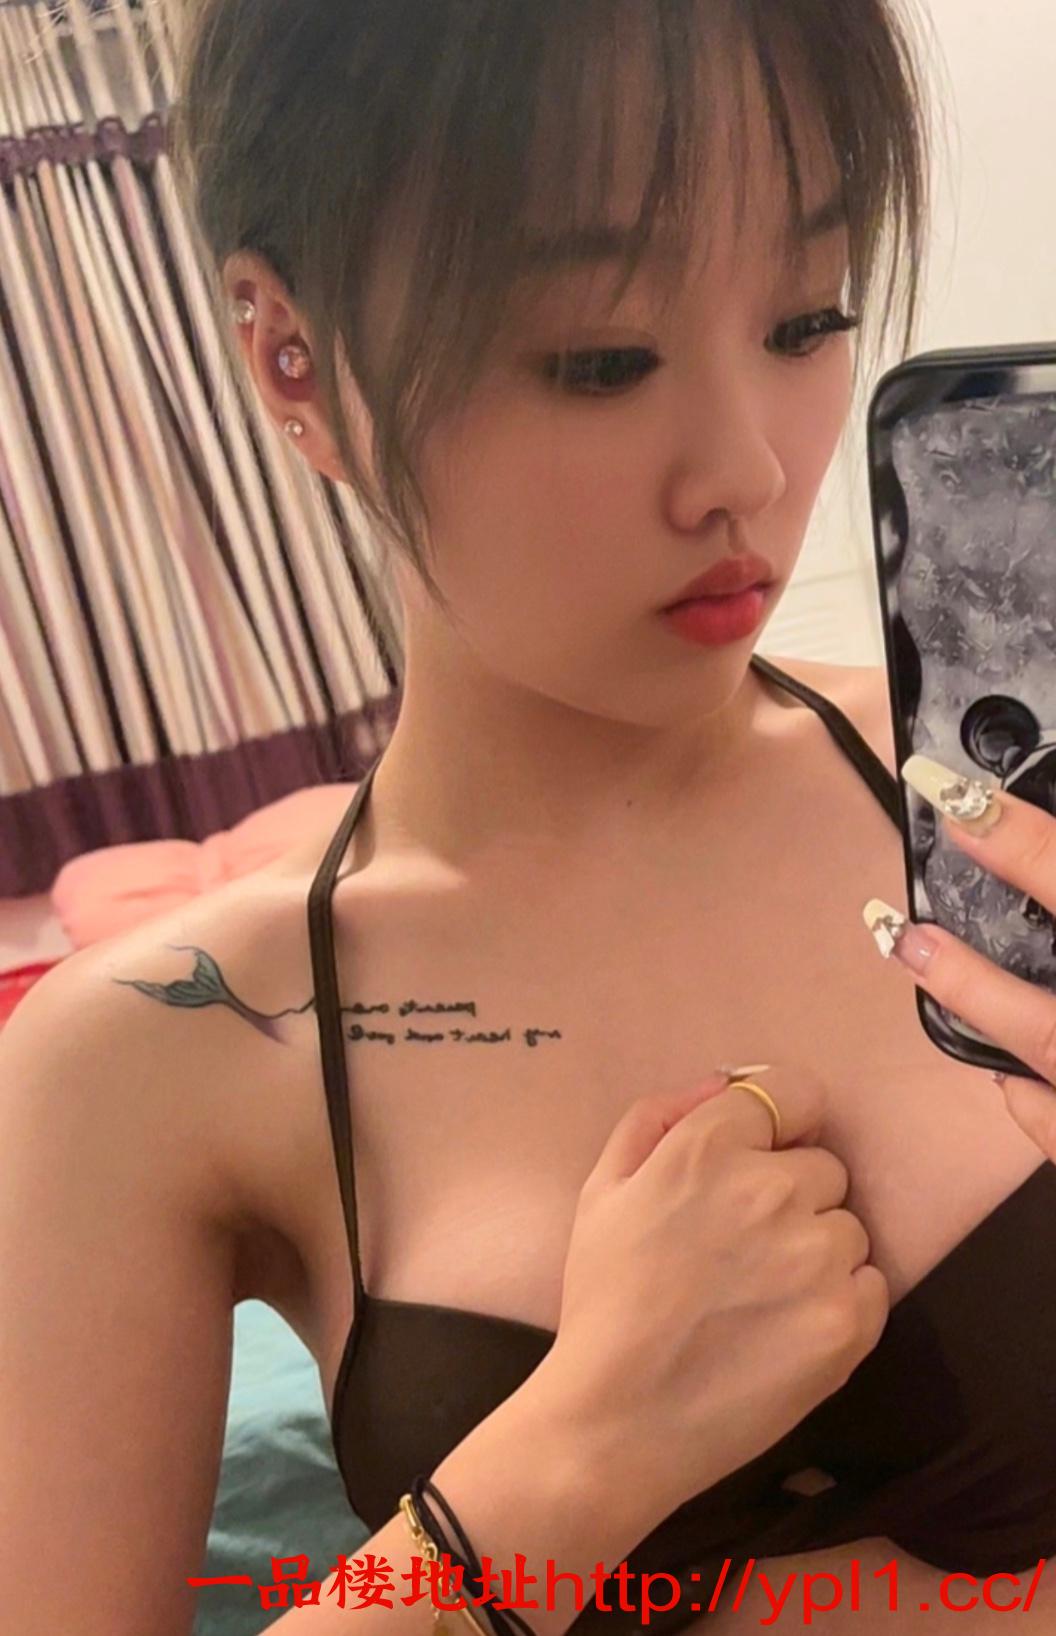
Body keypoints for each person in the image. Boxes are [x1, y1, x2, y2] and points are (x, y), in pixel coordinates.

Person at [5, 1, 1056, 1632]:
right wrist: (571, 1454)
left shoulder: (997, 815)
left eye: (805, 318)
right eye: (598, 358)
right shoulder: (141, 1055)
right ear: (294, 361)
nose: (745, 472)